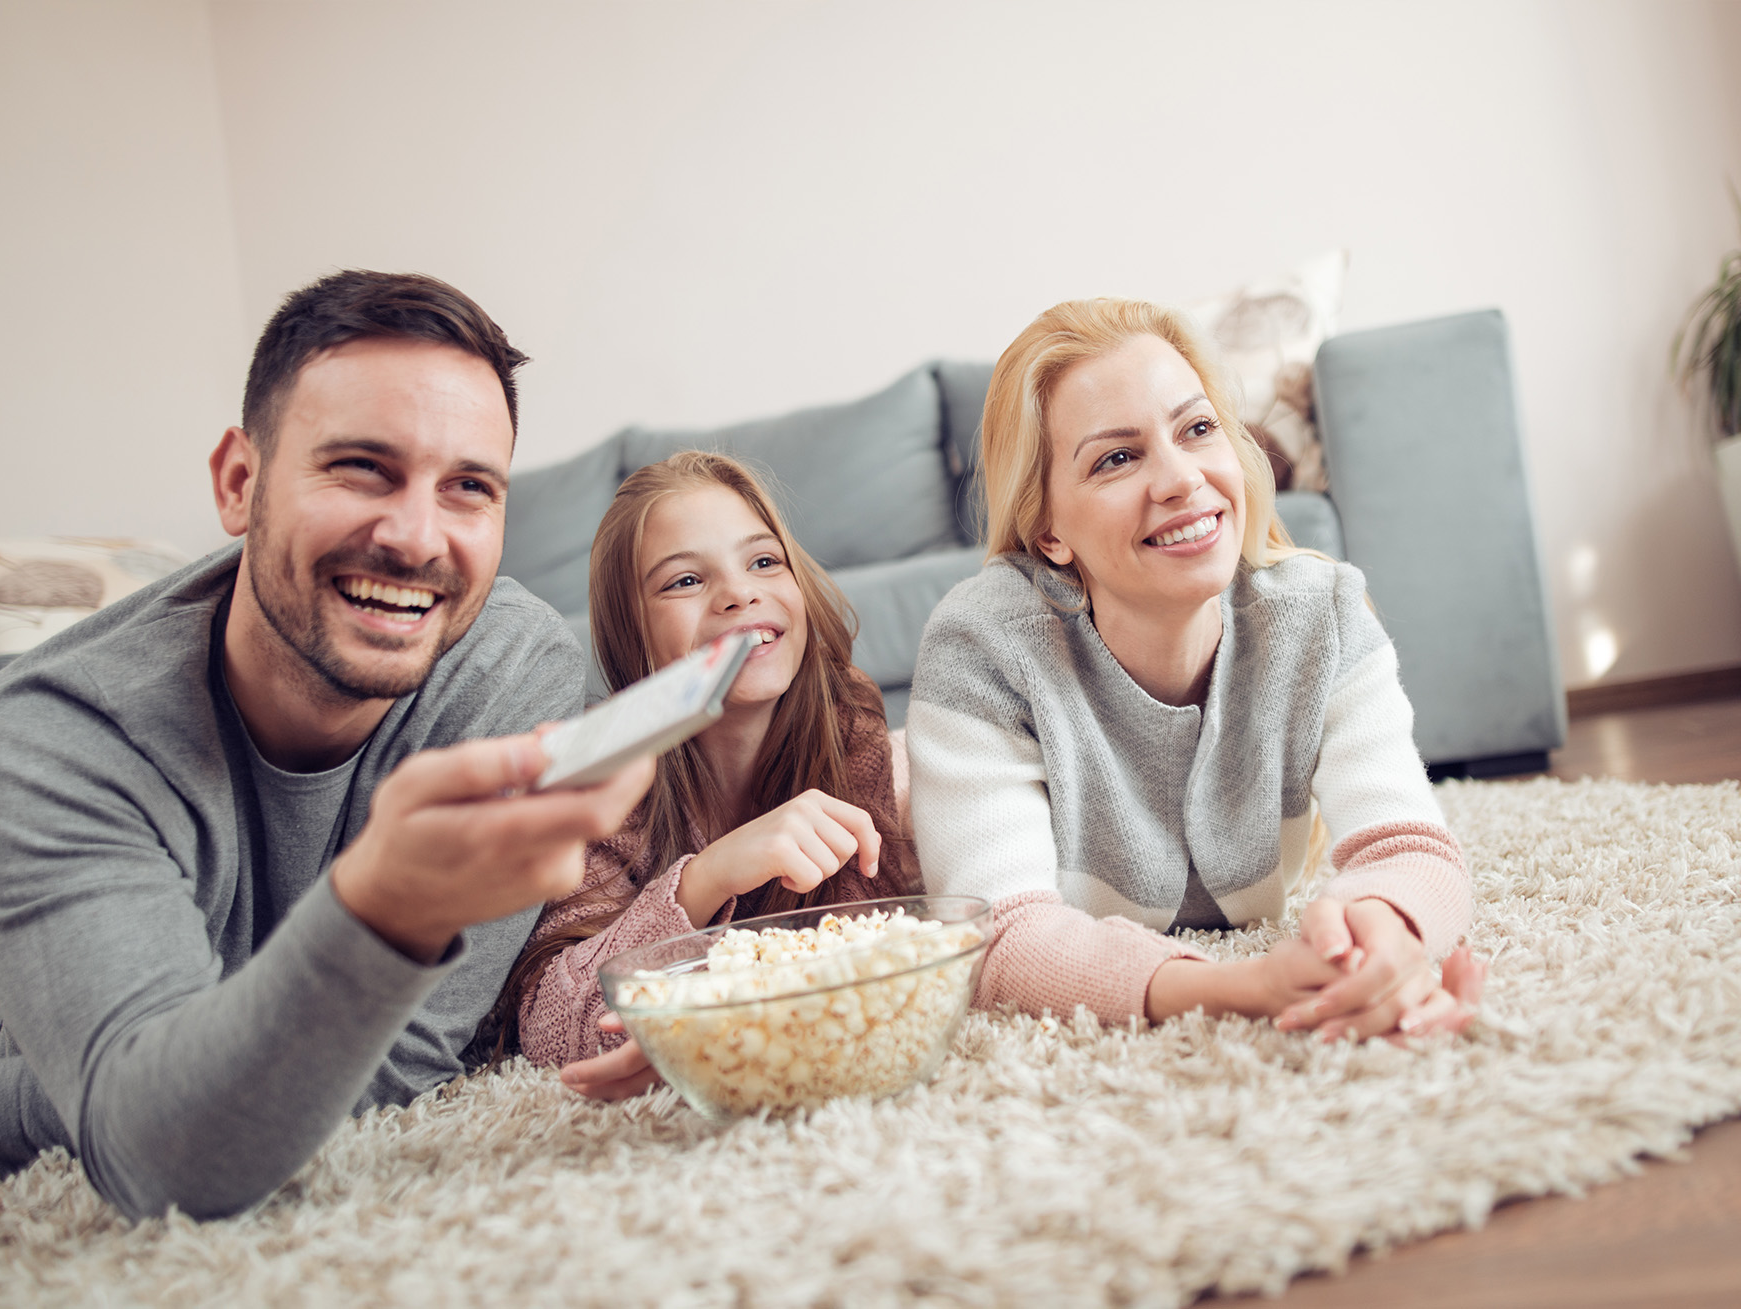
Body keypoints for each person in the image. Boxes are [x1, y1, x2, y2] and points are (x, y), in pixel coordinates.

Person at [0, 271, 654, 1219]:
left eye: (469, 488)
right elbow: (165, 1160)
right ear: (238, 481)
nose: (417, 537)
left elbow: (410, 1056)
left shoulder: (510, 662)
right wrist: (388, 910)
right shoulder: (42, 735)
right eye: (361, 468)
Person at [907, 297, 1486, 1041]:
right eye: (1117, 457)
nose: (1182, 479)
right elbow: (1001, 937)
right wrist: (1237, 987)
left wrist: (1381, 941)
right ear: (1048, 529)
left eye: (1198, 428)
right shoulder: (980, 648)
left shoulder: (1324, 612)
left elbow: (1409, 848)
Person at [504, 452, 916, 1099]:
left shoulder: (845, 715)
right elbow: (551, 1027)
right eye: (685, 581)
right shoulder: (606, 773)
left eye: (763, 561)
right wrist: (709, 876)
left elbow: (890, 935)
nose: (739, 593)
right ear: (629, 630)